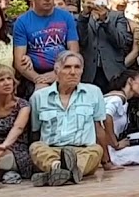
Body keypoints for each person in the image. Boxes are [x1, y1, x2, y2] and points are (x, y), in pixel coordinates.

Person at [28, 51, 106, 186]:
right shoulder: (39, 97)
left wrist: (107, 161)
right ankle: (62, 170)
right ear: (56, 71)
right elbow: (35, 130)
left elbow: (99, 128)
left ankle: (61, 173)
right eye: (67, 67)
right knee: (35, 147)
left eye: (77, 67)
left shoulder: (94, 92)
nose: (73, 72)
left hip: (82, 151)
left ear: (82, 70)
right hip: (52, 151)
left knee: (96, 150)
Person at [13, 0, 80, 94]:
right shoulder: (22, 22)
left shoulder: (66, 17)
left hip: (65, 71)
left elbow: (73, 50)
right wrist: (37, 79)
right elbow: (19, 61)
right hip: (35, 75)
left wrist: (58, 74)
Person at [101, 69, 139, 167]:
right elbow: (106, 116)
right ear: (130, 81)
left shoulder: (120, 99)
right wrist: (116, 144)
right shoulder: (116, 99)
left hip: (109, 146)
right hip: (108, 151)